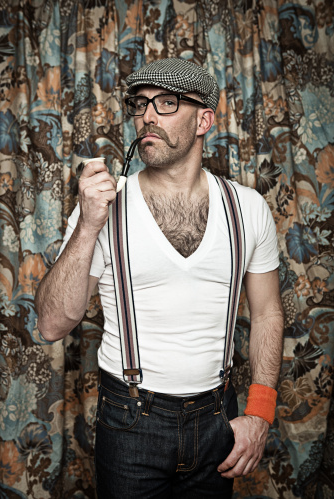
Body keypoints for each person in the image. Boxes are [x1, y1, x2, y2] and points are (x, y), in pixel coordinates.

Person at [35, 58, 284, 498]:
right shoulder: (103, 208)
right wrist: (89, 225)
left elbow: (266, 312)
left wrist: (260, 413)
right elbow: (52, 324)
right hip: (131, 420)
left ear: (204, 119)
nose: (147, 116)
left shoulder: (248, 209)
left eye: (166, 103)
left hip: (217, 419)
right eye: (140, 104)